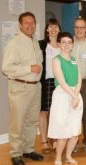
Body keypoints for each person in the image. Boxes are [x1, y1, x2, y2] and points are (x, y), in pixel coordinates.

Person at [2, 12, 44, 165]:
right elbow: (6, 68)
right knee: (17, 123)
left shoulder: (34, 41)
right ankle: (15, 153)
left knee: (31, 122)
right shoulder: (14, 43)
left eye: (32, 22)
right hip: (20, 87)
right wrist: (29, 68)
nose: (30, 25)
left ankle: (28, 149)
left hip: (34, 88)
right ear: (20, 25)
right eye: (26, 22)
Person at [47, 32, 83, 165]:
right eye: (63, 42)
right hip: (63, 95)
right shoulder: (56, 60)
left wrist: (76, 95)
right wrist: (73, 96)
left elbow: (79, 79)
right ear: (59, 44)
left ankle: (68, 156)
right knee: (62, 129)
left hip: (76, 94)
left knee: (74, 130)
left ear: (72, 45)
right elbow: (61, 82)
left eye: (69, 42)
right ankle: (58, 157)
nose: (66, 45)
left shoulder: (74, 60)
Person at [71, 17, 86, 153]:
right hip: (71, 84)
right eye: (77, 27)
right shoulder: (69, 43)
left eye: (82, 27)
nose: (79, 30)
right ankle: (73, 141)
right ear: (74, 28)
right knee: (72, 112)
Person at [39, 18, 61, 154]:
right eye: (50, 27)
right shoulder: (41, 45)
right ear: (47, 29)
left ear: (59, 29)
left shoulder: (62, 44)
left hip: (59, 82)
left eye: (56, 27)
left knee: (56, 112)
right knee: (44, 112)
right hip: (46, 82)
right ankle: (43, 141)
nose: (53, 29)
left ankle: (54, 139)